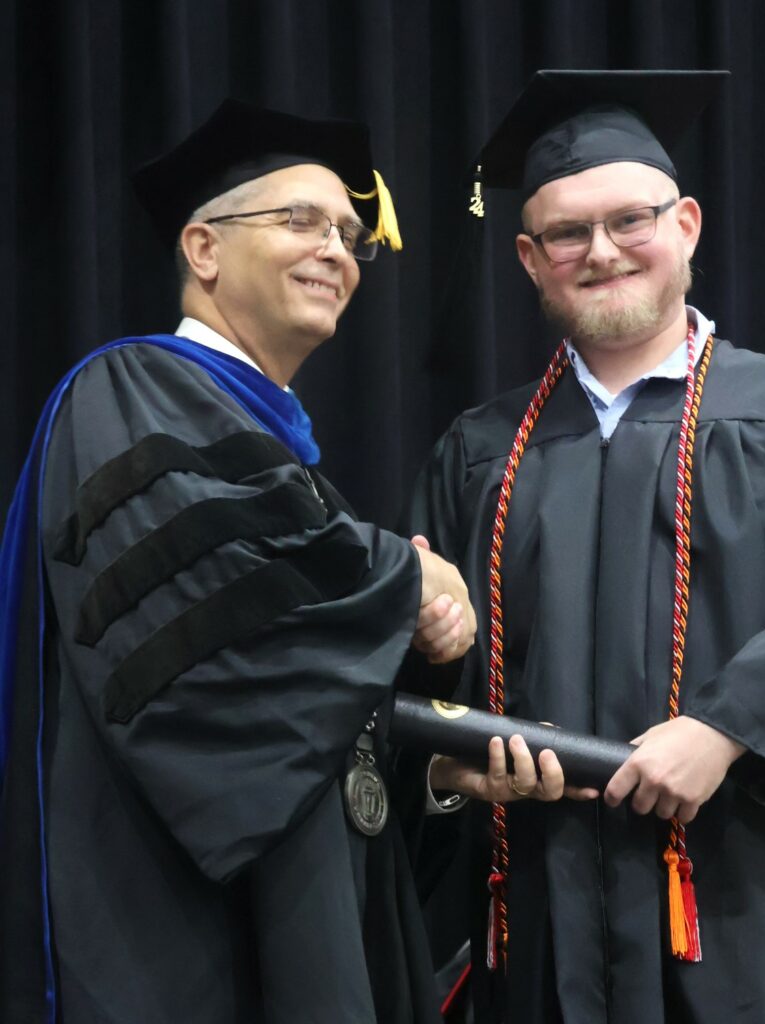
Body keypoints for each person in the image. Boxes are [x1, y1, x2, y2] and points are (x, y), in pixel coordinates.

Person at [406, 70, 765, 1023]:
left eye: (630, 221)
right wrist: (449, 771)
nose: (601, 252)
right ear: (530, 258)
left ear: (686, 225)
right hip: (543, 923)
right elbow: (421, 682)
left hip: (754, 922)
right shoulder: (479, 455)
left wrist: (727, 728)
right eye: (567, 233)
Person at [0, 99, 476, 1023]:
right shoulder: (129, 390)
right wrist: (405, 581)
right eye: (301, 219)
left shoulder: (289, 468)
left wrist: (437, 759)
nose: (338, 247)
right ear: (204, 249)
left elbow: (296, 681)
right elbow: (214, 635)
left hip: (290, 923)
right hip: (173, 931)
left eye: (349, 231)